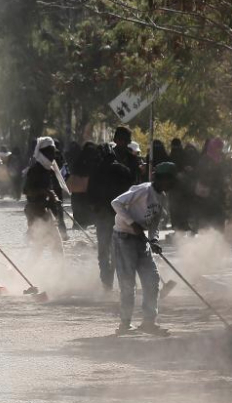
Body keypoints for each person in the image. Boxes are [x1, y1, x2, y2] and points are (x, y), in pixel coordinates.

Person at [112, 162, 177, 336]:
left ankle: (149, 322)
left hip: (142, 241)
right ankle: (125, 324)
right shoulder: (143, 190)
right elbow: (116, 203)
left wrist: (154, 239)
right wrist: (132, 224)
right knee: (128, 283)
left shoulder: (162, 197)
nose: (171, 185)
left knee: (152, 279)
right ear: (162, 179)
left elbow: (155, 222)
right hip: (124, 237)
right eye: (170, 180)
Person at [88, 143, 134, 291]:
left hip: (102, 215)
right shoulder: (124, 170)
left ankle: (106, 280)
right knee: (118, 249)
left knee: (103, 249)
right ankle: (116, 277)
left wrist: (95, 208)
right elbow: (131, 193)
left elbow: (90, 195)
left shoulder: (96, 171)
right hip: (119, 215)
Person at [23, 138, 65, 259]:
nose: (53, 156)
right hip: (35, 211)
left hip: (45, 212)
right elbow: (26, 190)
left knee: (51, 245)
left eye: (53, 153)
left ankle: (59, 272)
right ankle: (26, 272)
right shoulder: (35, 169)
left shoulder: (47, 170)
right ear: (42, 152)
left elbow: (49, 190)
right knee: (41, 246)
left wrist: (54, 199)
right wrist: (46, 192)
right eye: (50, 153)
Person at [195, 138, 228, 232]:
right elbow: (200, 174)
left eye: (220, 148)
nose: (219, 150)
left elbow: (224, 173)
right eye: (218, 147)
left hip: (219, 193)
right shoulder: (205, 159)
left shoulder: (221, 158)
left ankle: (219, 237)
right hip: (207, 193)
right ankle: (206, 237)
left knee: (219, 216)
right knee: (207, 215)